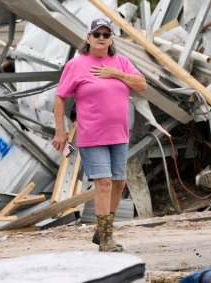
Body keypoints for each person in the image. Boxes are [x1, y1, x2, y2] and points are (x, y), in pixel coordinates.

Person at [52, 18, 147, 252]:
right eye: (97, 34)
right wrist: (60, 131)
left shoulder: (121, 62)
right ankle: (106, 239)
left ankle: (102, 230)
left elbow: (142, 85)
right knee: (103, 183)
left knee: (118, 183)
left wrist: (115, 73)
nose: (101, 38)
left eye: (106, 34)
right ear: (88, 38)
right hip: (92, 135)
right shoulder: (76, 65)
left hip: (120, 134)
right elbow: (60, 97)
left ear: (111, 39)